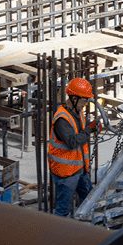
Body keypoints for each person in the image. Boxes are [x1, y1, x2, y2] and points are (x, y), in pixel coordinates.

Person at [49, 77, 97, 217]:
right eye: (84, 100)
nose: (86, 104)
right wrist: (89, 131)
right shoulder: (62, 119)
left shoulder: (77, 112)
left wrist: (89, 128)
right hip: (66, 173)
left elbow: (80, 131)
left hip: (80, 168)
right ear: (74, 98)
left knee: (87, 201)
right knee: (63, 209)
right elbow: (72, 141)